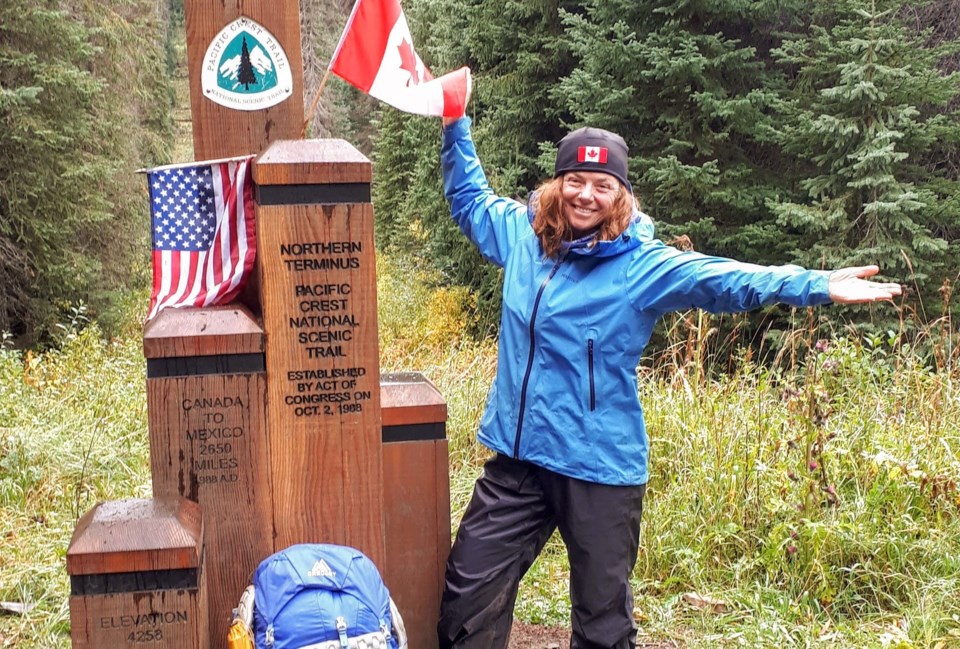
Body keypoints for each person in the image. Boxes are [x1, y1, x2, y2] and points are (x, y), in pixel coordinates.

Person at [435, 89, 901, 649]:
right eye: (575, 182)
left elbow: (724, 279)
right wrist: (455, 122)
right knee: (467, 599)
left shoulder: (642, 266)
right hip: (519, 460)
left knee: (602, 625)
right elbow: (469, 199)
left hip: (598, 468)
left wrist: (817, 285)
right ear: (557, 185)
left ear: (620, 195)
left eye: (602, 185)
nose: (586, 195)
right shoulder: (522, 234)